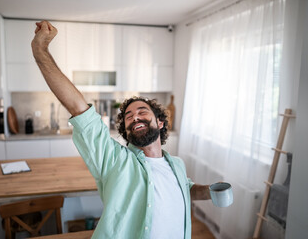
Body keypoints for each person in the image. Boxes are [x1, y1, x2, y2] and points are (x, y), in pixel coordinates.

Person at [32, 20, 212, 239]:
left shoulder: (177, 165)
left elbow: (184, 188)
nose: (135, 116)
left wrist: (209, 191)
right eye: (128, 116)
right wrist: (40, 49)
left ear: (161, 122)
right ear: (126, 132)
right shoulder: (114, 161)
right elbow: (77, 107)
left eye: (142, 111)